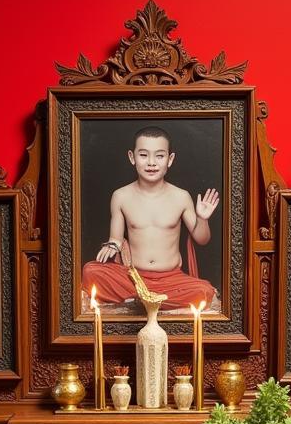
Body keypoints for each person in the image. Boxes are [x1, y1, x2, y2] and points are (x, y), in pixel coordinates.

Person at [81, 127, 220, 312]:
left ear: (170, 159)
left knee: (204, 291)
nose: (151, 163)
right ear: (132, 157)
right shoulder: (121, 196)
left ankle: (141, 301)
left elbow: (202, 239)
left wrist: (203, 219)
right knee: (90, 271)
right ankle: (146, 300)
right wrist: (111, 245)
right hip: (134, 278)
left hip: (171, 279)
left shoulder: (181, 196)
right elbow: (115, 239)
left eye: (160, 156)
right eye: (144, 155)